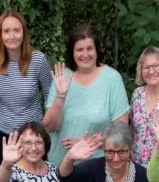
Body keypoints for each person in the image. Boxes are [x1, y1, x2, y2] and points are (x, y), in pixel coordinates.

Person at [0, 12, 53, 172]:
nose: (12, 36)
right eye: (6, 31)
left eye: (16, 30)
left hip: (32, 135)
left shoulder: (38, 60)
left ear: (24, 32)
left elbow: (50, 96)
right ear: (0, 35)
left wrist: (45, 128)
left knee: (34, 181)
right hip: (0, 134)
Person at [43, 24, 130, 167]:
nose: (85, 54)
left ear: (97, 50)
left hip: (95, 167)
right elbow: (49, 126)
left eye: (89, 48)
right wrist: (60, 96)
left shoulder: (112, 79)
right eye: (79, 49)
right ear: (72, 52)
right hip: (58, 166)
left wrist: (87, 144)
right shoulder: (62, 77)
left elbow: (121, 132)